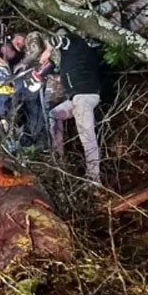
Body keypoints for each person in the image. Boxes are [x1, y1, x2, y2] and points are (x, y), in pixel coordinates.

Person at [48, 31, 104, 183]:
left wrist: (46, 52)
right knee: (54, 114)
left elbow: (56, 40)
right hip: (78, 97)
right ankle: (59, 156)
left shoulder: (72, 41)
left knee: (87, 136)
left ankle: (94, 179)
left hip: (84, 95)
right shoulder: (76, 52)